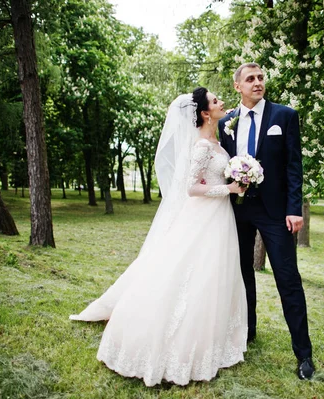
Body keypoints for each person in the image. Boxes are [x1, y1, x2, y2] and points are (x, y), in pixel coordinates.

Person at [70, 88, 247, 387]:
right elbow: (192, 188)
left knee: (214, 276)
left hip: (220, 218)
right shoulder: (202, 145)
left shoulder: (217, 140)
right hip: (203, 216)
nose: (222, 103)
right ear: (205, 113)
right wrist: (228, 190)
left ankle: (214, 339)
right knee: (192, 275)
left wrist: (240, 178)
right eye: (216, 101)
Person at [218, 62, 314, 380]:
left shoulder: (284, 116)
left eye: (260, 78)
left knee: (288, 279)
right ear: (238, 87)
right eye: (250, 79)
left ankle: (304, 354)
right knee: (243, 274)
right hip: (239, 209)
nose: (258, 83)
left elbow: (293, 166)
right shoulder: (227, 122)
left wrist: (294, 208)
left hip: (275, 213)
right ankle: (248, 332)